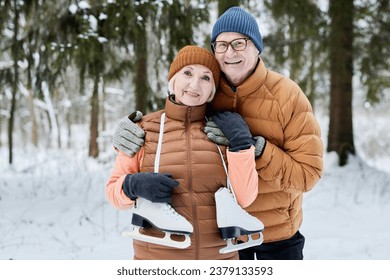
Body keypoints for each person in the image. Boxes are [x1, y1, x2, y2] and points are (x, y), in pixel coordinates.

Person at [112, 6, 324, 260]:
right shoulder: (206, 87)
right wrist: (127, 135)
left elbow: (308, 175)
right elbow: (175, 122)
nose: (230, 52)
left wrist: (258, 149)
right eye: (221, 45)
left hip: (276, 235)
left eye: (239, 43)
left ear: (257, 47)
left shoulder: (287, 96)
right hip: (223, 237)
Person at [106, 45, 260, 260]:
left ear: (212, 90)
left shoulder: (222, 131)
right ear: (173, 80)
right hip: (157, 260)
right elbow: (113, 193)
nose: (194, 84)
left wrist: (241, 144)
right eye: (187, 73)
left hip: (219, 260)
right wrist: (133, 185)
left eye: (206, 78)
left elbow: (245, 198)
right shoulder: (142, 129)